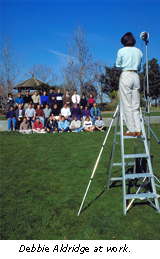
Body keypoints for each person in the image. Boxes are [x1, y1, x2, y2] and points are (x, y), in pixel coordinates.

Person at [116, 32, 143, 137]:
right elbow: (140, 66)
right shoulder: (139, 51)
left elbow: (118, 65)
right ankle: (138, 128)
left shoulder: (121, 51)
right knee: (135, 104)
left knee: (127, 104)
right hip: (136, 76)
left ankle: (131, 129)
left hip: (126, 75)